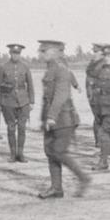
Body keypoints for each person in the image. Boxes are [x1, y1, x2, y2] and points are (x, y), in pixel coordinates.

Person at [36, 40, 91, 199]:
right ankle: (56, 188)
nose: (40, 53)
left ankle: (83, 178)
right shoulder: (52, 69)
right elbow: (48, 97)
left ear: (54, 52)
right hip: (52, 119)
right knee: (50, 152)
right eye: (41, 50)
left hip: (63, 119)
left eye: (44, 51)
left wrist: (51, 117)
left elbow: (61, 95)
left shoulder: (61, 70)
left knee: (58, 152)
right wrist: (44, 119)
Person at [0, 43, 34, 162]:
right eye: (13, 53)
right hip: (8, 101)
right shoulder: (3, 67)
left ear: (20, 54)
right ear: (10, 54)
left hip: (23, 101)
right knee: (11, 128)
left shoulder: (25, 67)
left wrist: (31, 101)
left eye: (17, 53)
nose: (15, 56)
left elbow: (30, 85)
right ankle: (13, 154)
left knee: (22, 128)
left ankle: (20, 154)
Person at [86, 44, 105, 148]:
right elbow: (89, 78)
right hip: (94, 95)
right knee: (98, 118)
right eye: (94, 52)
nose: (94, 54)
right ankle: (98, 140)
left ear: (101, 53)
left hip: (102, 94)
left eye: (96, 52)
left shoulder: (103, 63)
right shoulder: (93, 64)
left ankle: (101, 140)